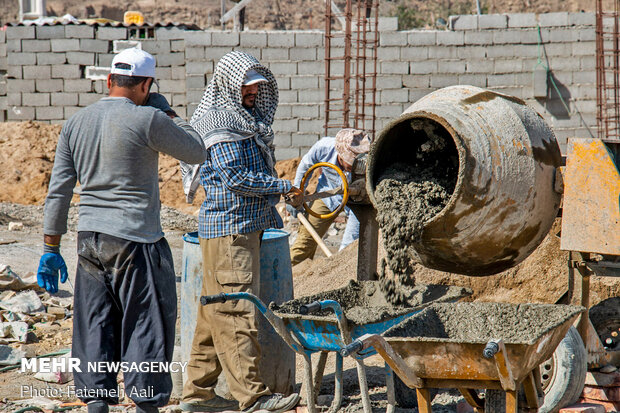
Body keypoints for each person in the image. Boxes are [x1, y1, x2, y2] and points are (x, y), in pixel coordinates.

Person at [37, 48, 207, 413]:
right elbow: (196, 151)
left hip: (89, 241)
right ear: (146, 84)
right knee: (147, 327)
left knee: (94, 326)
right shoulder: (148, 119)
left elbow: (59, 191)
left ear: (109, 80)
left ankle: (97, 405)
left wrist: (51, 247)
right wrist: (168, 112)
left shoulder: (75, 123)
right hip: (136, 242)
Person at [179, 51, 302, 413]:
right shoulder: (219, 122)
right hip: (230, 229)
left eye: (257, 87)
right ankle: (254, 398)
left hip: (241, 228)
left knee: (212, 313)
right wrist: (280, 186)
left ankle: (197, 395)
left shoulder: (241, 119)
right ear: (230, 85)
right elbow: (235, 178)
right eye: (247, 87)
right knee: (236, 313)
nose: (253, 92)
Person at [289, 128, 371, 266]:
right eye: (351, 163)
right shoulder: (324, 147)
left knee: (349, 247)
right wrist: (297, 192)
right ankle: (290, 277)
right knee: (305, 241)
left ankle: (342, 276)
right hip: (329, 195)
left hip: (359, 203)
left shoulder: (369, 160)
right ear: (340, 155)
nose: (354, 166)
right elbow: (305, 166)